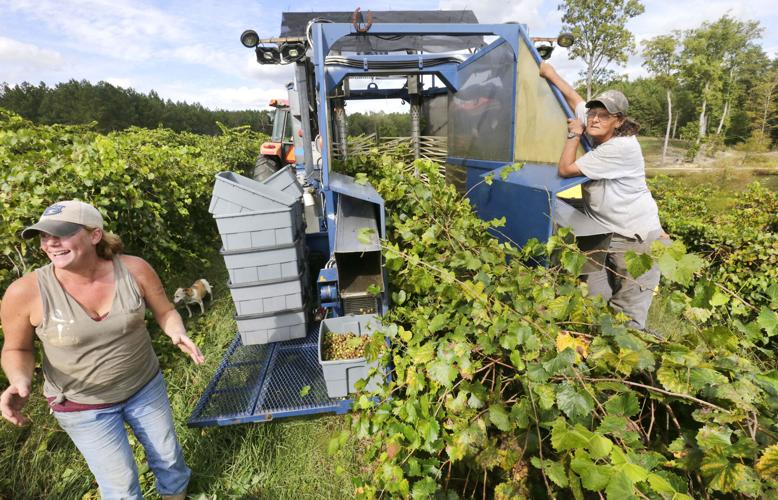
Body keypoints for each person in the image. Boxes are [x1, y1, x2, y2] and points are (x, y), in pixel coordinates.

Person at [0, 200, 205, 500]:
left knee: (169, 459)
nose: (50, 243)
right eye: (44, 235)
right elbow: (16, 348)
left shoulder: (134, 270)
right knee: (120, 486)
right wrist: (19, 379)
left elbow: (165, 311)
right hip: (82, 405)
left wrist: (177, 332)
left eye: (62, 233)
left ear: (94, 235)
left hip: (144, 386)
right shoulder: (25, 292)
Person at [539, 62, 666, 331]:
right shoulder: (595, 123)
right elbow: (574, 98)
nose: (594, 119)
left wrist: (574, 134)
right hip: (604, 232)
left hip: (634, 240)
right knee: (596, 300)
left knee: (627, 312)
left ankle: (629, 366)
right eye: (592, 114)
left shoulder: (620, 148)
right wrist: (549, 72)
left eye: (604, 115)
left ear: (619, 121)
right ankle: (599, 352)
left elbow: (564, 170)